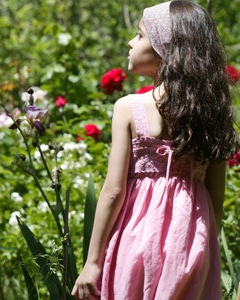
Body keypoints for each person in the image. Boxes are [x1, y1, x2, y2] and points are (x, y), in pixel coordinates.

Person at [72, 1, 238, 299]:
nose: (130, 42)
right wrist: (203, 248)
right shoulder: (211, 114)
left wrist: (92, 262)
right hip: (191, 241)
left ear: (165, 47)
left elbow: (112, 191)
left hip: (137, 237)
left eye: (139, 35)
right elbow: (215, 198)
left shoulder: (129, 108)